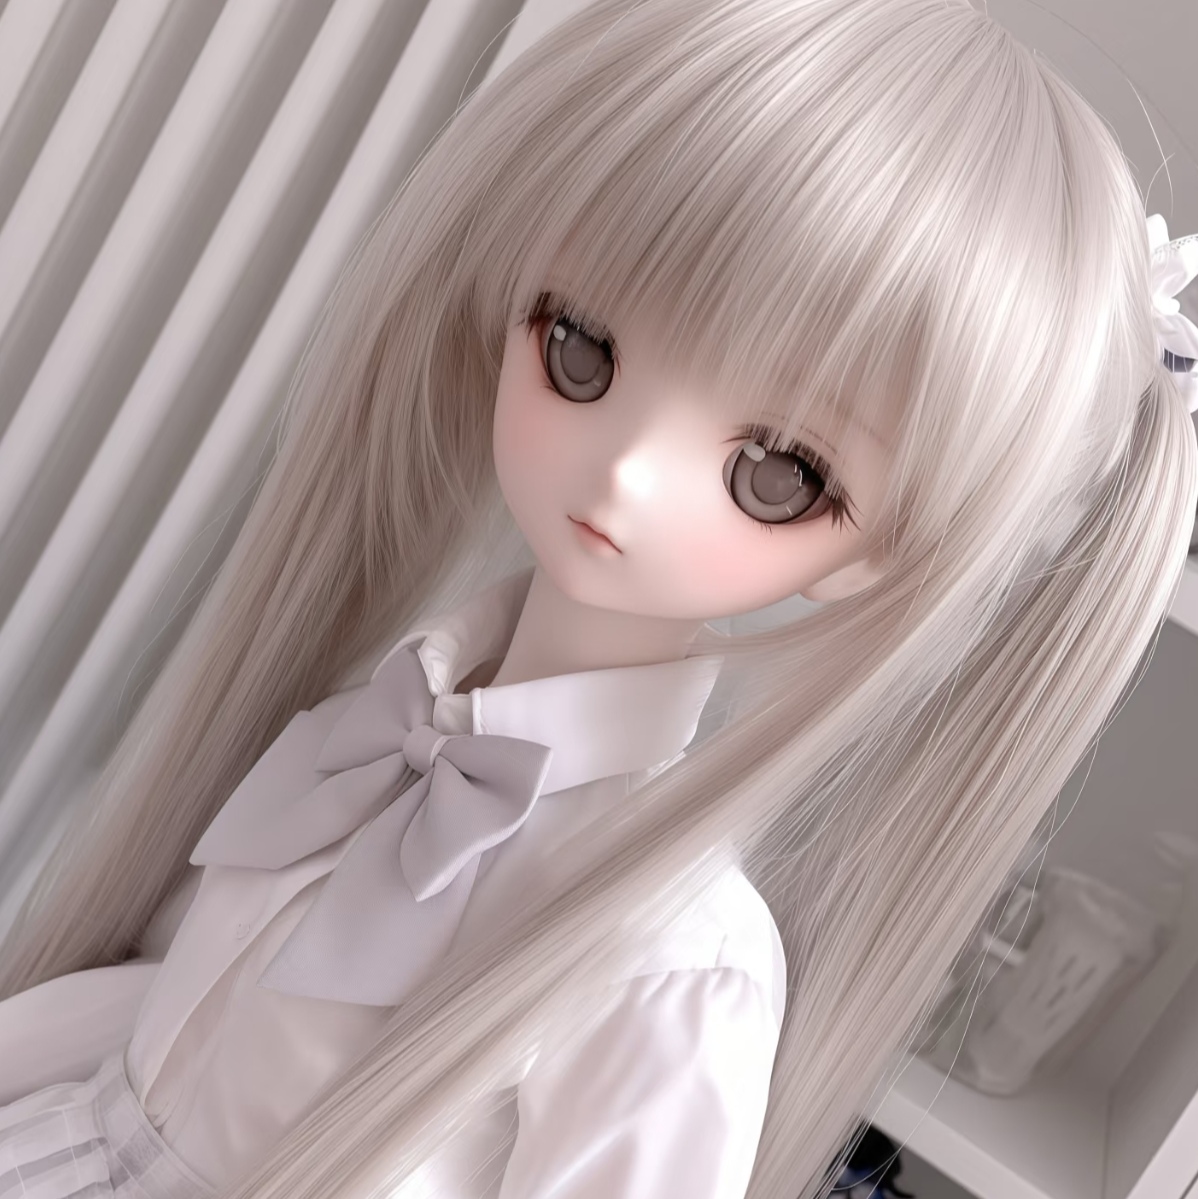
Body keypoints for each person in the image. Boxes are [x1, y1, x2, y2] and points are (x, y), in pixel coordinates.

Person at [0, 1, 1195, 1197]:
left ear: (882, 551)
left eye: (777, 472)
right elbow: (156, 1033)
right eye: (580, 347)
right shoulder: (379, 724)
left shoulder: (672, 953)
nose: (622, 471)